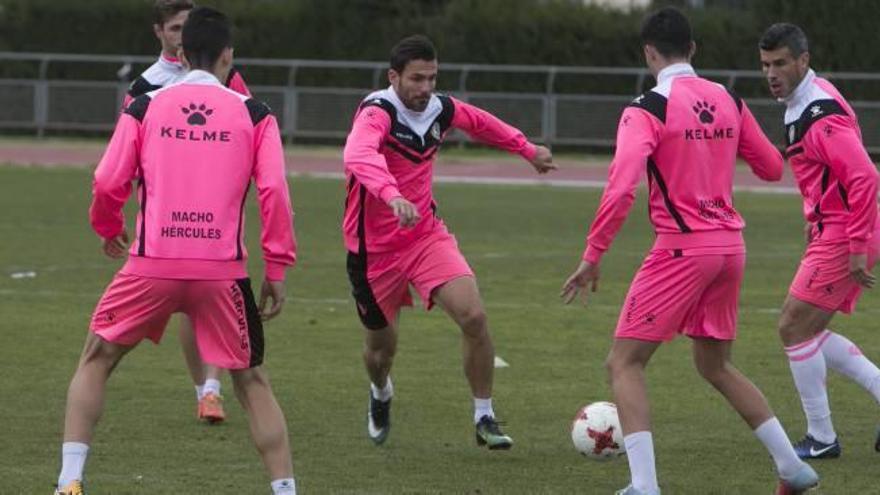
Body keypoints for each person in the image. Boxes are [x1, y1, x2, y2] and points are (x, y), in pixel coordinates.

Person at [560, 8, 818, 495]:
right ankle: (792, 466)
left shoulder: (646, 108)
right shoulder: (727, 98)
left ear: (649, 53)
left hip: (683, 250)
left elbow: (620, 188)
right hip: (730, 249)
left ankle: (644, 486)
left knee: (624, 363)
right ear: (693, 50)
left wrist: (593, 254)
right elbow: (769, 167)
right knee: (714, 365)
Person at [54, 8, 298, 495]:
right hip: (222, 273)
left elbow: (107, 179)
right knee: (251, 383)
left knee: (96, 358)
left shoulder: (144, 105)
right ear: (229, 55)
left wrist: (107, 225)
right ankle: (285, 490)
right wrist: (276, 267)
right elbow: (274, 191)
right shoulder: (255, 113)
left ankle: (69, 483)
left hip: (152, 264)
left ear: (181, 53)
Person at [342, 34, 555, 449]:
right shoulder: (376, 112)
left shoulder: (440, 108)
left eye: (432, 78)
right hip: (373, 253)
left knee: (473, 317)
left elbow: (481, 123)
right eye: (417, 79)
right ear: (394, 77)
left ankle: (484, 416)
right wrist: (392, 195)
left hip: (424, 237)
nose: (425, 88)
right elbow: (358, 155)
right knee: (380, 353)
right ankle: (381, 392)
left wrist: (527, 149)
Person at [125, 0, 253, 423]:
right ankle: (204, 387)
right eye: (175, 28)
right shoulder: (145, 87)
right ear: (159, 33)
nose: (183, 35)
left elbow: (249, 128)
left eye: (188, 26)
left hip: (217, 204)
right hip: (167, 206)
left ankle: (212, 391)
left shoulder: (227, 77)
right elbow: (127, 148)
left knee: (206, 293)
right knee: (186, 301)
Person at [759, 23, 880, 460]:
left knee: (793, 326)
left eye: (780, 63)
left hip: (847, 231)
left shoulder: (818, 114)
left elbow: (865, 176)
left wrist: (857, 244)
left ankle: (822, 437)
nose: (771, 73)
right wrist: (815, 214)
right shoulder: (801, 100)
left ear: (802, 61)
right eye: (766, 65)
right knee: (809, 329)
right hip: (835, 226)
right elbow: (825, 173)